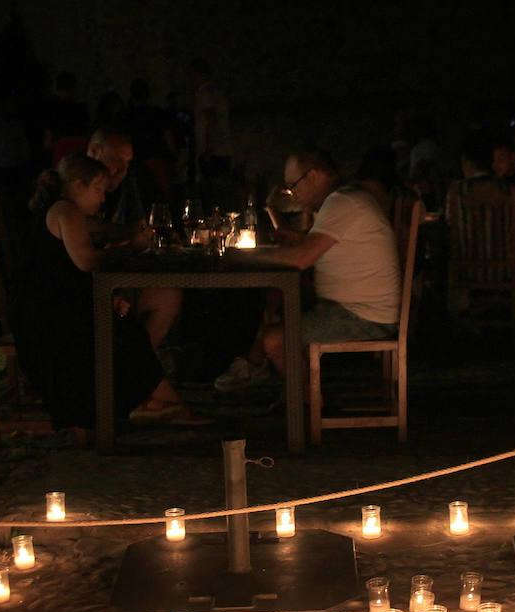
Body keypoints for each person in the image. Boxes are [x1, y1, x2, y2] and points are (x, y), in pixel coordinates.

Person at [15, 154, 202, 432]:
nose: (103, 198)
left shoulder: (68, 211)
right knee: (121, 332)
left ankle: (146, 399)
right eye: (99, 189)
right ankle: (162, 404)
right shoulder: (65, 211)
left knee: (125, 328)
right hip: (48, 320)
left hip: (60, 308)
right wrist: (133, 247)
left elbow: (79, 267)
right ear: (78, 186)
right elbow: (87, 262)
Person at [214, 149, 400, 391]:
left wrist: (239, 256)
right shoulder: (343, 199)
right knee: (275, 297)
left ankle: (308, 408)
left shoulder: (342, 202)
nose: (293, 194)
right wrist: (290, 235)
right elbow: (312, 246)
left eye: (294, 186)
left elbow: (302, 259)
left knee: (276, 340)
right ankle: (263, 370)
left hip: (364, 316)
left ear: (314, 175)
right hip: (359, 308)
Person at [86, 129, 184, 349]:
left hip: (115, 282)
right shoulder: (76, 186)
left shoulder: (127, 184)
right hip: (84, 292)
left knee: (169, 297)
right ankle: (131, 370)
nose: (121, 169)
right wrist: (131, 240)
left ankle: (134, 368)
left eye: (127, 162)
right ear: (93, 152)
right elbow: (92, 237)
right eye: (115, 160)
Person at [190, 58, 232, 181]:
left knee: (211, 190)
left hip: (212, 153)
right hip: (223, 150)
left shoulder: (204, 94)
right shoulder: (218, 93)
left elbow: (211, 118)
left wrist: (208, 148)